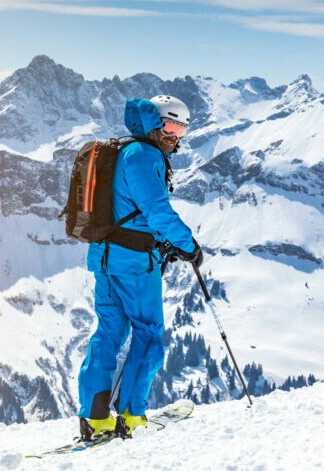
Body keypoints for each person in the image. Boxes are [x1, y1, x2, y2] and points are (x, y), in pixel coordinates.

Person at [76, 94, 204, 441]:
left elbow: (128, 210)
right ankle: (131, 415)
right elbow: (157, 211)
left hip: (104, 257)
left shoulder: (122, 151)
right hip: (132, 263)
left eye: (182, 128)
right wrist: (189, 247)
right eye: (171, 125)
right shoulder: (145, 155)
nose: (176, 135)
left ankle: (95, 416)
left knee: (108, 333)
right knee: (147, 332)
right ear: (154, 123)